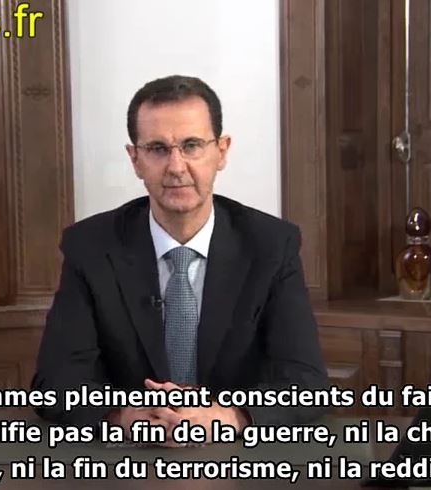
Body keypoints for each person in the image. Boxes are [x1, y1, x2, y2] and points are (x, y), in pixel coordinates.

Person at [31, 75, 327, 441]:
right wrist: (125, 416)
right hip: (128, 456)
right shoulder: (91, 247)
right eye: (157, 148)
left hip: (238, 457)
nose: (175, 166)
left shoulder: (271, 245)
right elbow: (56, 381)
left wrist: (227, 417)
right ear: (135, 159)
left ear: (221, 151)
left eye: (191, 145)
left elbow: (306, 381)